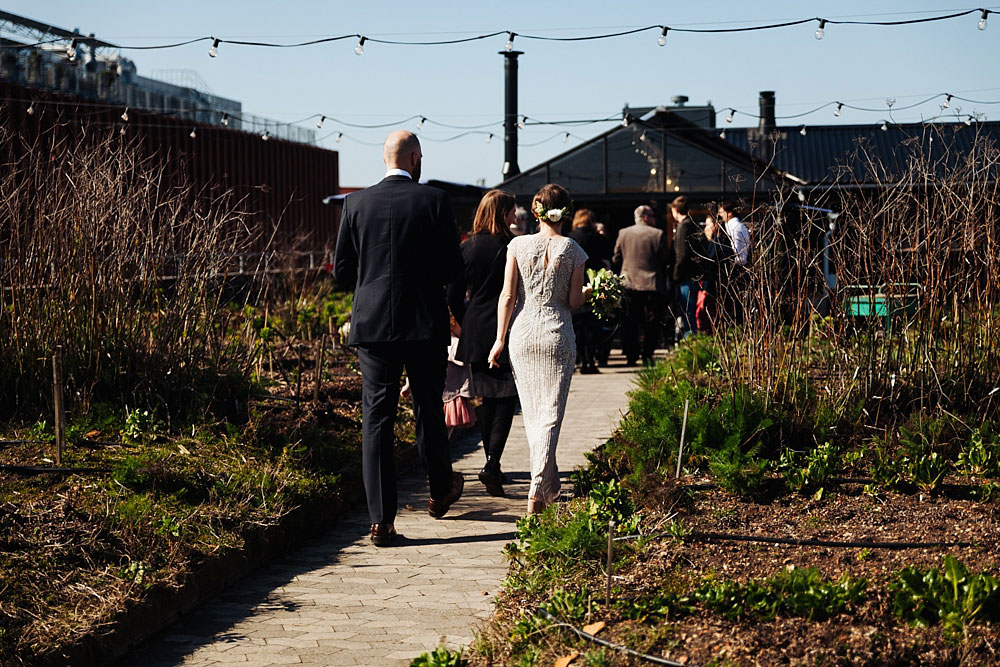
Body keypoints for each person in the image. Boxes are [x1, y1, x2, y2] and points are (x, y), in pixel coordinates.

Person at [334, 130, 465, 547]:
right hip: (423, 323)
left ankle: (380, 521)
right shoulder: (434, 201)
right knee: (429, 408)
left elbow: (341, 273)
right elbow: (452, 267)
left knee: (376, 419)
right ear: (414, 159)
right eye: (421, 157)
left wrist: (371, 284)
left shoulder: (355, 203)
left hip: (372, 325)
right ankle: (440, 489)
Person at [488, 183, 589, 515]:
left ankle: (549, 483)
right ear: (566, 212)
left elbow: (507, 297)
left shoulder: (517, 244)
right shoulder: (573, 249)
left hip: (522, 333)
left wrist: (499, 339)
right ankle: (536, 490)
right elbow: (574, 302)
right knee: (550, 414)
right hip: (557, 333)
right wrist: (592, 294)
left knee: (533, 415)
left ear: (535, 212)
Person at [447, 189, 519, 497]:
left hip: (475, 329)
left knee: (488, 397)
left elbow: (451, 295)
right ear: (503, 214)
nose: (515, 216)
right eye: (512, 211)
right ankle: (492, 462)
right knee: (503, 398)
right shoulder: (513, 246)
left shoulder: (466, 247)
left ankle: (493, 463)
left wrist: (467, 323)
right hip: (507, 327)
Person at [613, 205, 671, 365]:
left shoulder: (623, 233)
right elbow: (665, 259)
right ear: (646, 217)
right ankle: (647, 355)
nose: (654, 218)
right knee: (651, 324)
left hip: (629, 284)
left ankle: (631, 356)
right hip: (651, 285)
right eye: (652, 215)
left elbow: (616, 258)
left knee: (630, 323)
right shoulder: (657, 234)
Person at [569, 209, 612, 374]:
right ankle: (591, 360)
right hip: (594, 282)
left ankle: (581, 360)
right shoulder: (598, 239)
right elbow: (607, 257)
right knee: (593, 325)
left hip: (575, 283)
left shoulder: (570, 238)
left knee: (577, 324)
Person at [672, 196, 703, 339]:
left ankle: (690, 345)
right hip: (692, 275)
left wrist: (675, 276)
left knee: (687, 313)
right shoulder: (693, 224)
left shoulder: (683, 226)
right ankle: (691, 343)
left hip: (686, 277)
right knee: (689, 313)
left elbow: (682, 255)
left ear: (676, 210)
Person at [717, 199, 750, 325]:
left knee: (733, 304)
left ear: (729, 213)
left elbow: (736, 252)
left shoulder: (734, 227)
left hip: (735, 269)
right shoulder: (737, 226)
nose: (719, 215)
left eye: (721, 212)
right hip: (738, 267)